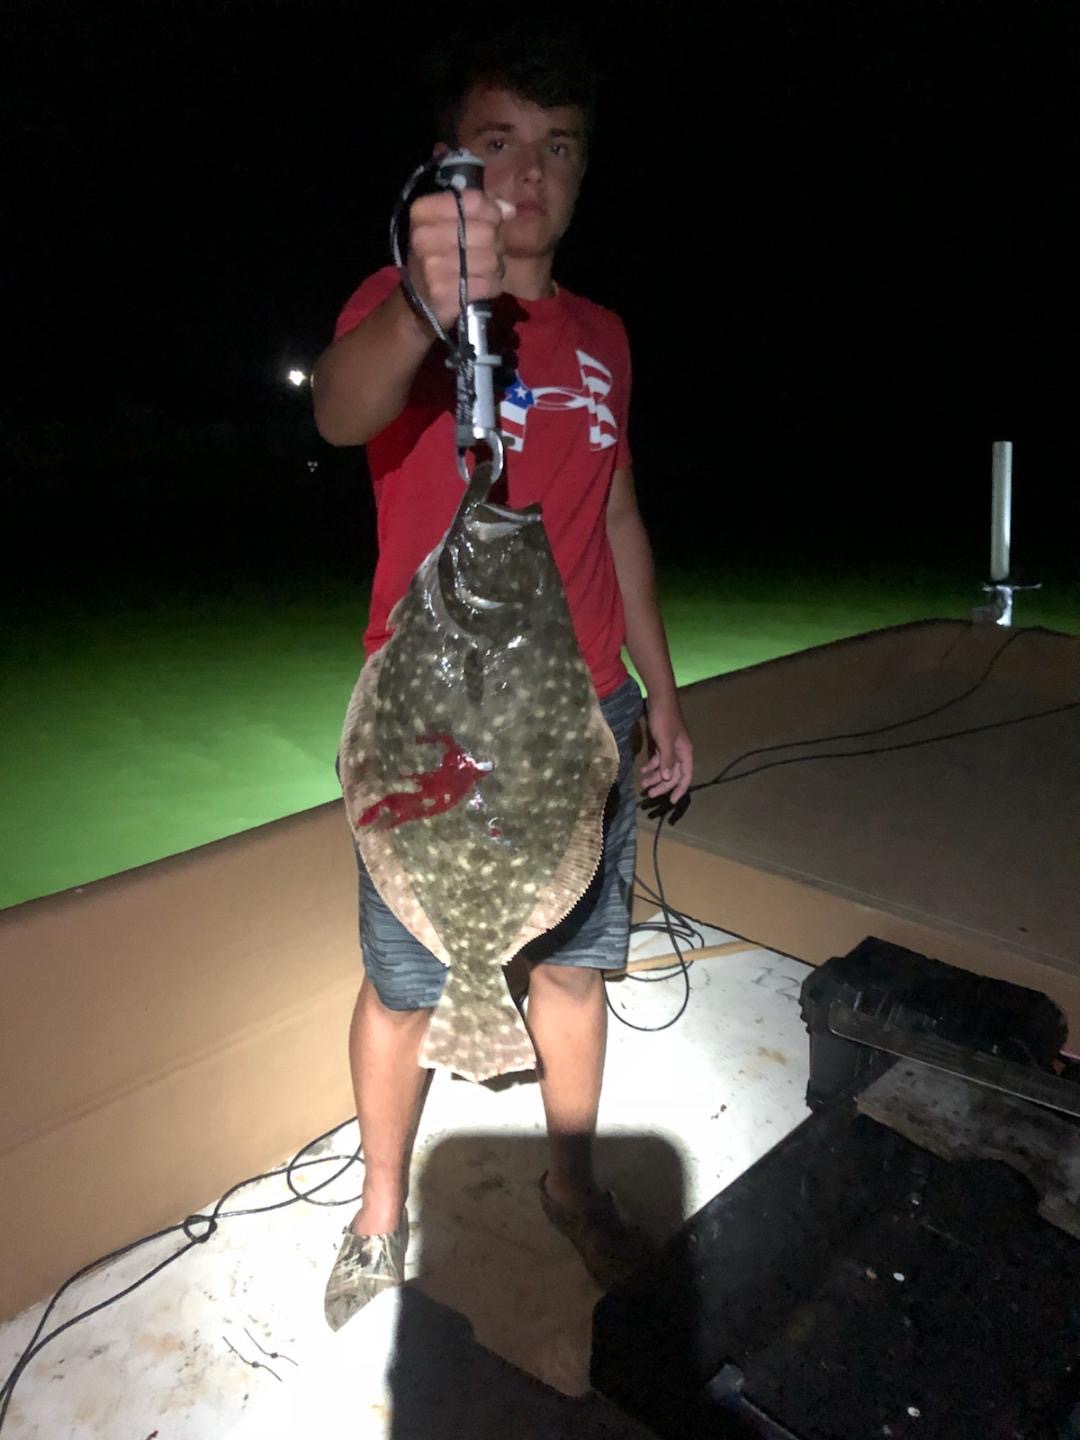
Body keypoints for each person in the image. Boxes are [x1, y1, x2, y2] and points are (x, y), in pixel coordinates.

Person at [312, 29, 693, 1332]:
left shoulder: (606, 338)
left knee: (576, 975)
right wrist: (430, 303)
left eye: (561, 145)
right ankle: (378, 1209)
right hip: (433, 732)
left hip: (584, 716)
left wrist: (665, 696)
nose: (532, 171)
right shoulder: (402, 301)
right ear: (451, 164)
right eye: (500, 143)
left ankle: (571, 1187)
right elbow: (342, 411)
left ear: (583, 172)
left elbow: (620, 522)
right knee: (405, 980)